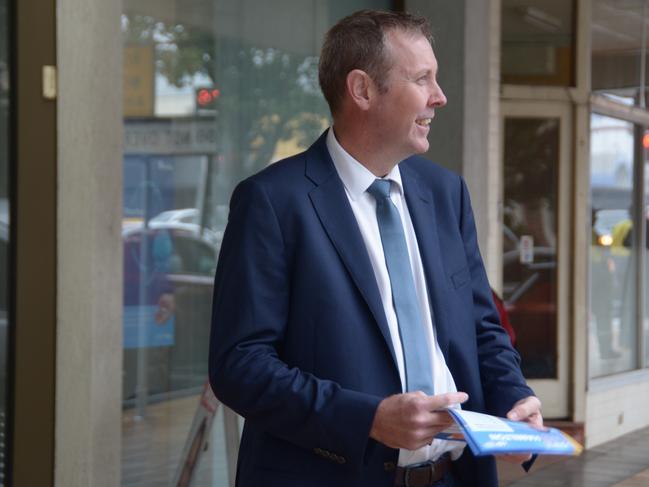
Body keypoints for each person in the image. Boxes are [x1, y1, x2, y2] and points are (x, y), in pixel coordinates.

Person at [209, 9, 542, 487]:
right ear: (362, 90)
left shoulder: (446, 194)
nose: (439, 97)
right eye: (422, 78)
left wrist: (514, 397)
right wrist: (367, 417)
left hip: (454, 476)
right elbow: (239, 364)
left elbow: (481, 326)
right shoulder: (272, 202)